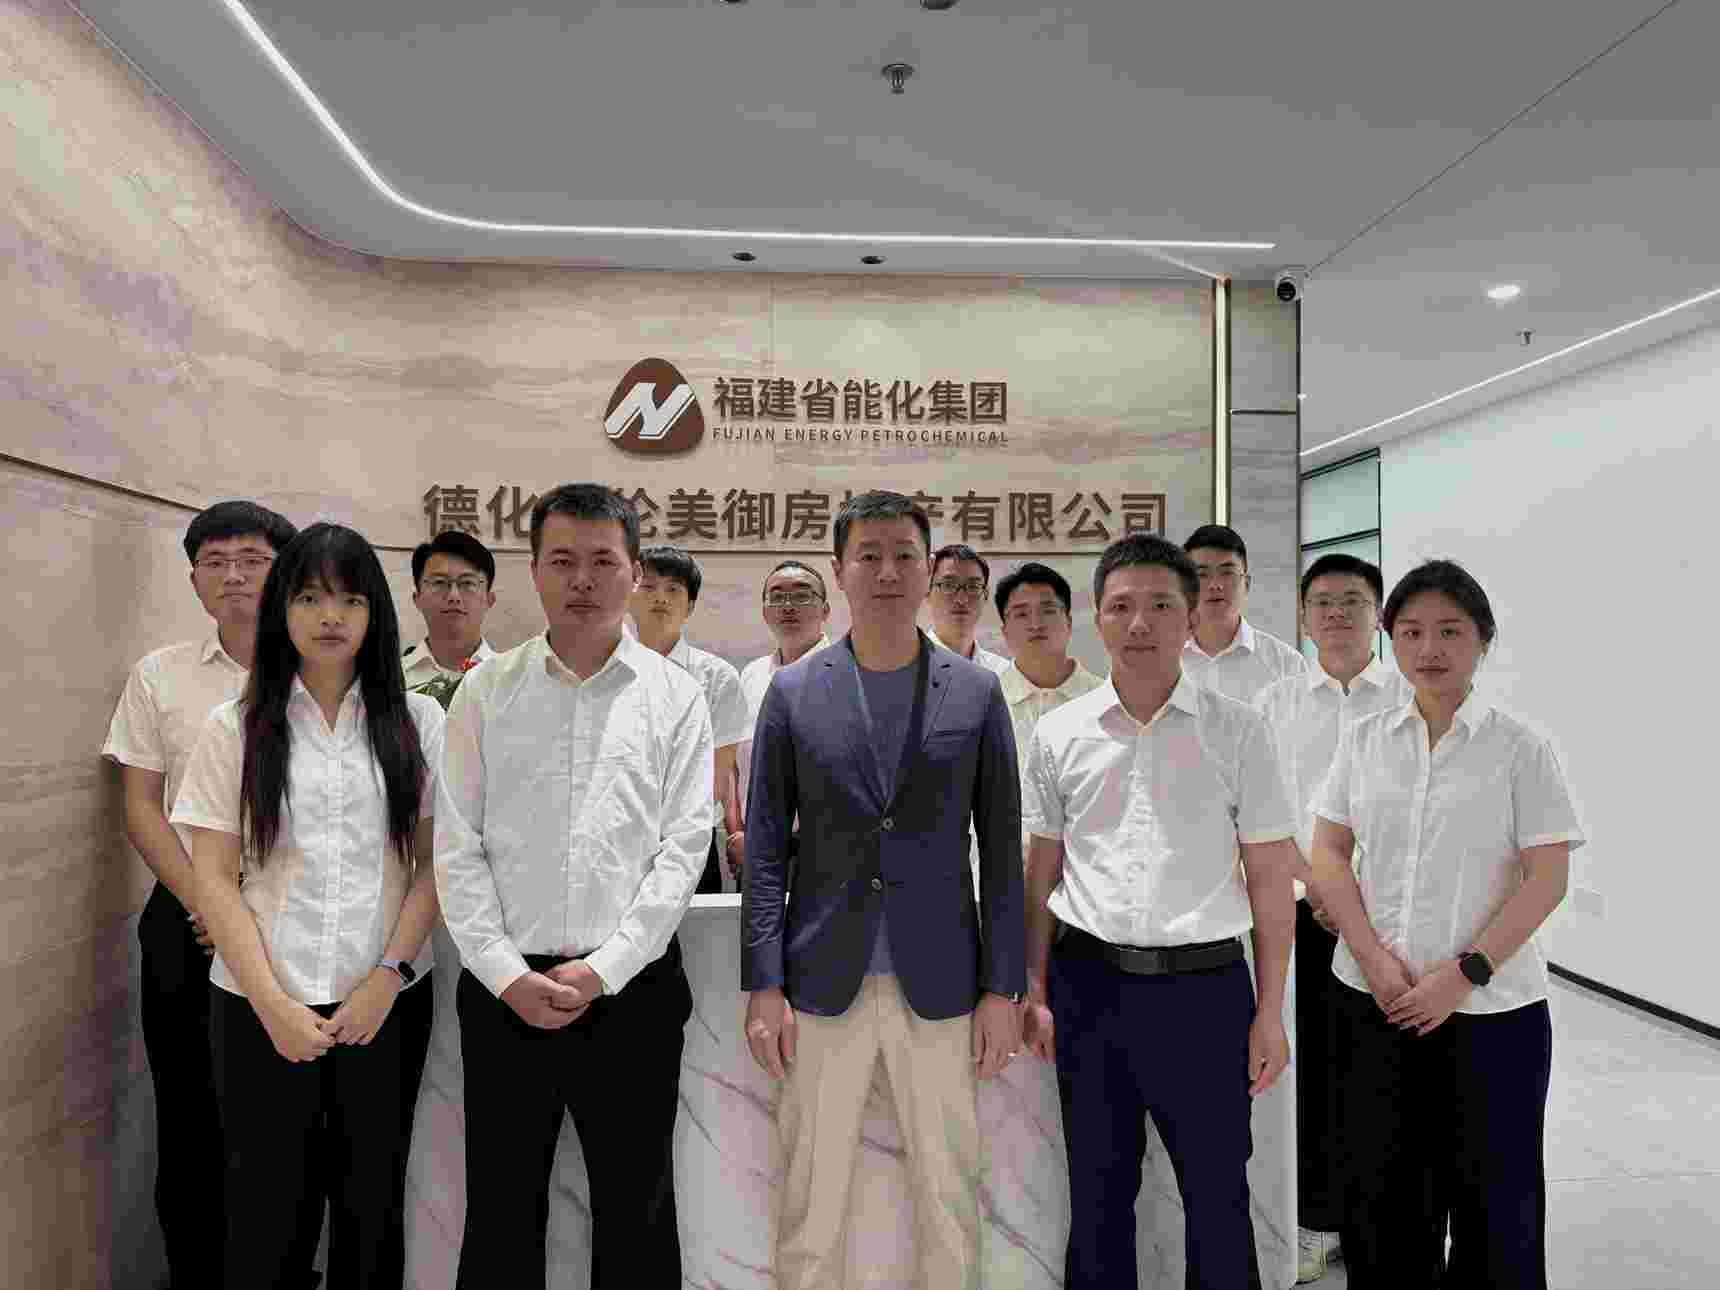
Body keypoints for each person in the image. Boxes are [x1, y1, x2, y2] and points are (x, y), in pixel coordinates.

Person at [742, 490, 1025, 1290]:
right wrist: (764, 982)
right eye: (868, 555)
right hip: (820, 979)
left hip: (942, 981)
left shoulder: (975, 692)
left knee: (949, 1197)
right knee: (810, 1202)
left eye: (904, 554)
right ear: (840, 571)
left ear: (928, 569)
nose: (888, 571)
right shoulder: (794, 690)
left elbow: (1002, 849)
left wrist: (1002, 985)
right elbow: (764, 848)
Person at [436, 484, 713, 1289]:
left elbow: (684, 847)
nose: (582, 580)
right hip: (506, 995)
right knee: (501, 1212)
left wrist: (606, 968)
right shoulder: (487, 691)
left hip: (633, 993)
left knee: (637, 1212)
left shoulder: (675, 696)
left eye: (602, 561)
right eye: (562, 561)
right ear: (533, 572)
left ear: (635, 572)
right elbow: (456, 845)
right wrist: (503, 973)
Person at [1021, 533, 1297, 1290]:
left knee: (1217, 1191)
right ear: (1097, 618)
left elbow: (1270, 879)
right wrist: (1035, 987)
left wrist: (1270, 1012)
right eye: (1121, 607)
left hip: (1205, 992)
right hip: (1089, 987)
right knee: (1099, 1190)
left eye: (1160, 605)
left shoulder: (1240, 730)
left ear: (1191, 615)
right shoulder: (1059, 733)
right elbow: (1041, 871)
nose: (1139, 623)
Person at [171, 523, 443, 1290]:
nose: (331, 616)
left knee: (371, 1209)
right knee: (265, 1217)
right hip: (259, 1006)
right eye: (312, 597)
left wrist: (387, 978)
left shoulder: (418, 723)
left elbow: (434, 865)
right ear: (282, 609)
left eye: (351, 600)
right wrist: (272, 1003)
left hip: (382, 1007)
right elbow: (213, 876)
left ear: (375, 614)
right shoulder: (235, 727)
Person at [1308, 560, 1583, 1290]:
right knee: (1382, 1202)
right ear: (1392, 639)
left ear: (1483, 640)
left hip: (1492, 1016)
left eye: (1450, 631)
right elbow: (1328, 851)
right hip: (1373, 1004)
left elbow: (1547, 877)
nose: (1429, 648)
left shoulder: (1520, 749)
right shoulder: (1364, 739)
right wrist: (1371, 959)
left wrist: (1463, 975)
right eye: (1411, 631)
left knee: (1496, 1207)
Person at [101, 500, 308, 1290]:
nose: (234, 576)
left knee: (288, 1119)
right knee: (190, 1115)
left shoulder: (324, 669)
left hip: (298, 919)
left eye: (252, 560)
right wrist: (208, 904)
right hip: (186, 919)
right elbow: (140, 809)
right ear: (194, 581)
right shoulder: (161, 674)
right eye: (215, 562)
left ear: (284, 572)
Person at [1256, 552, 1411, 1283]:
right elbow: (1260, 808)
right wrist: (1321, 887)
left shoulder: (1410, 694)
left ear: (1376, 615)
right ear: (1303, 616)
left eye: (1352, 600)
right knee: (1317, 1074)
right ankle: (1318, 1221)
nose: (1337, 613)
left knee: (1390, 1078)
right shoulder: (1278, 703)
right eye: (1322, 602)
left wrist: (1355, 898)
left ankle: (1389, 1223)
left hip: (1393, 923)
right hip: (1304, 917)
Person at [629, 545, 750, 892]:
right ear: (629, 596)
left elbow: (716, 777)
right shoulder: (606, 672)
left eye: (673, 589)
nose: (660, 598)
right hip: (617, 844)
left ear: (691, 605)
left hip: (689, 845)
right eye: (648, 587)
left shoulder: (717, 677)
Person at [736, 560, 834, 873]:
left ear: (825, 610)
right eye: (777, 597)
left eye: (802, 596)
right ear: (765, 612)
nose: (788, 606)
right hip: (757, 845)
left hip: (829, 848)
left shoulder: (847, 673)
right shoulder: (750, 676)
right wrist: (739, 830)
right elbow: (736, 764)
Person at [994, 561, 1105, 780]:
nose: (1035, 624)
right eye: (1021, 614)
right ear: (1005, 631)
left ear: (1069, 623)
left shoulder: (1104, 699)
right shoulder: (987, 701)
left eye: (1047, 611)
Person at [1181, 524, 1306, 702]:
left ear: (1246, 584)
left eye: (1227, 573)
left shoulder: (1287, 664)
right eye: (1202, 574)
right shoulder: (1162, 660)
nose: (1215, 585)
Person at [402, 530, 498, 692]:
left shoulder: (510, 678)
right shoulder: (391, 679)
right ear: (417, 598)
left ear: (489, 599)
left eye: (467, 583)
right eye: (439, 582)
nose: (454, 596)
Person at [925, 542, 1011, 674]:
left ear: (986, 595)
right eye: (948, 585)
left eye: (973, 587)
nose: (961, 599)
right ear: (927, 591)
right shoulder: (905, 666)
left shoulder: (1002, 672)